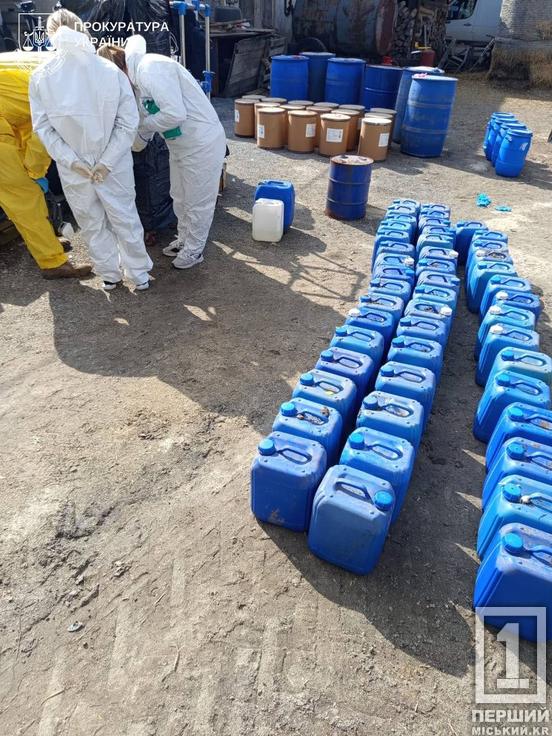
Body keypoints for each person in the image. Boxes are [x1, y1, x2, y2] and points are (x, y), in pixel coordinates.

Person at [29, 10, 153, 291]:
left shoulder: (41, 76)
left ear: (50, 34)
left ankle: (110, 275)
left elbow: (43, 128)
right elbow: (128, 121)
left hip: (74, 167)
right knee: (124, 216)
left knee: (91, 221)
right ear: (82, 29)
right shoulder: (109, 71)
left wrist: (72, 161)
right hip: (114, 162)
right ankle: (139, 275)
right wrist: (107, 161)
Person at [98, 35, 226, 270]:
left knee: (197, 200)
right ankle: (184, 240)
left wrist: (142, 126)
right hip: (180, 144)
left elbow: (174, 114)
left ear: (118, 70)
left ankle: (194, 249)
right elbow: (142, 129)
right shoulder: (137, 82)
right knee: (180, 196)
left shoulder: (151, 68)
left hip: (202, 142)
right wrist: (127, 143)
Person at [0, 60, 91, 279]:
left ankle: (44, 243)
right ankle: (52, 262)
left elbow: (25, 122)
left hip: (10, 126)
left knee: (24, 193)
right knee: (25, 196)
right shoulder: (59, 94)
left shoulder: (47, 71)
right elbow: (43, 134)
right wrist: (35, 171)